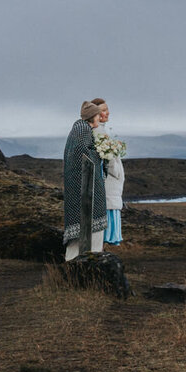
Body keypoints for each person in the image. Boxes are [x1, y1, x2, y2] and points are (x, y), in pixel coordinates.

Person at [62, 101, 107, 261]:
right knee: (87, 232)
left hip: (78, 190)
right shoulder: (82, 130)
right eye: (97, 114)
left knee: (83, 234)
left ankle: (74, 264)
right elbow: (84, 155)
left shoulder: (80, 129)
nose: (100, 117)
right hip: (83, 192)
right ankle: (87, 264)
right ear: (92, 116)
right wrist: (100, 154)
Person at [92, 98, 124, 247]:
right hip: (109, 181)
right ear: (96, 114)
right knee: (105, 223)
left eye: (107, 109)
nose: (107, 112)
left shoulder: (101, 130)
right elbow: (107, 157)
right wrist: (116, 171)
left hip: (110, 182)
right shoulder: (98, 131)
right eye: (104, 110)